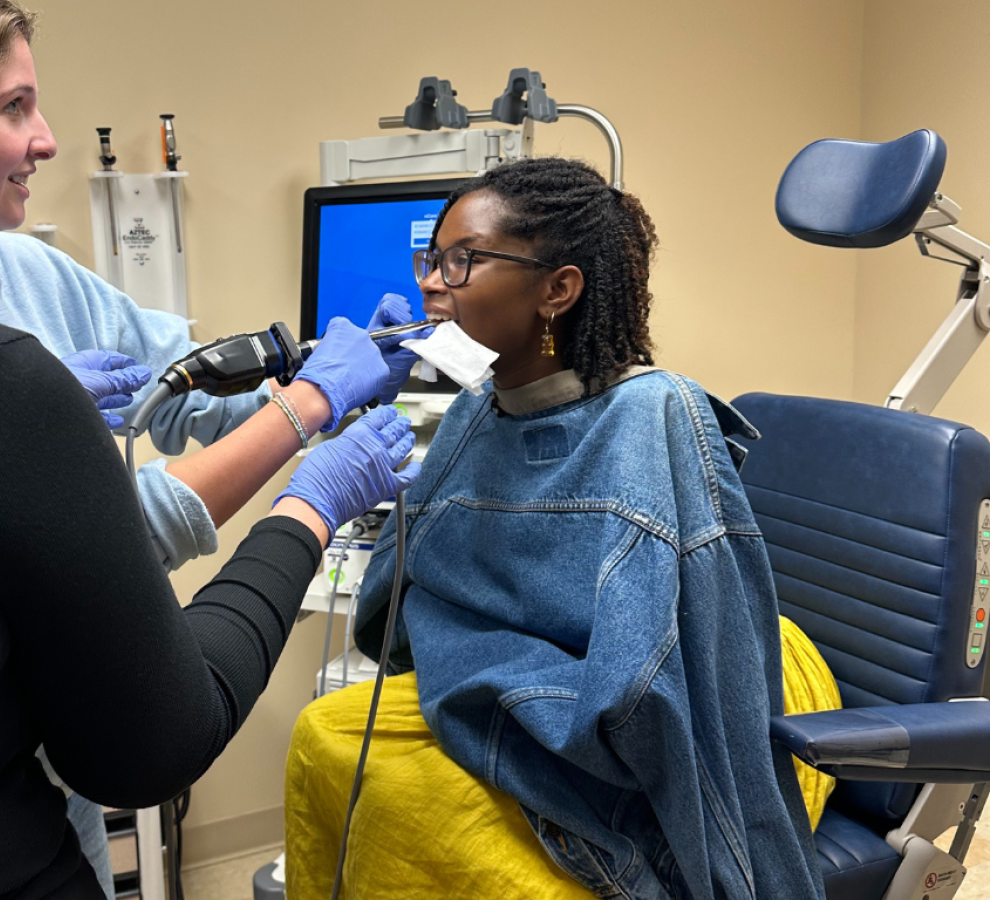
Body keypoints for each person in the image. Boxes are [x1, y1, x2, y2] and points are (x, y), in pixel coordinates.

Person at [0, 2, 418, 898]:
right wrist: (310, 444)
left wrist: (316, 368)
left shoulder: (25, 274)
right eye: (12, 109)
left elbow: (185, 390)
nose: (45, 140)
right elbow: (123, 573)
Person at [285, 158, 829, 900]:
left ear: (559, 289)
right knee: (325, 741)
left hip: (682, 702)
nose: (432, 282)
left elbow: (686, 683)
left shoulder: (654, 415)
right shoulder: (478, 409)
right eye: (432, 258)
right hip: (518, 704)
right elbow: (396, 604)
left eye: (462, 260)